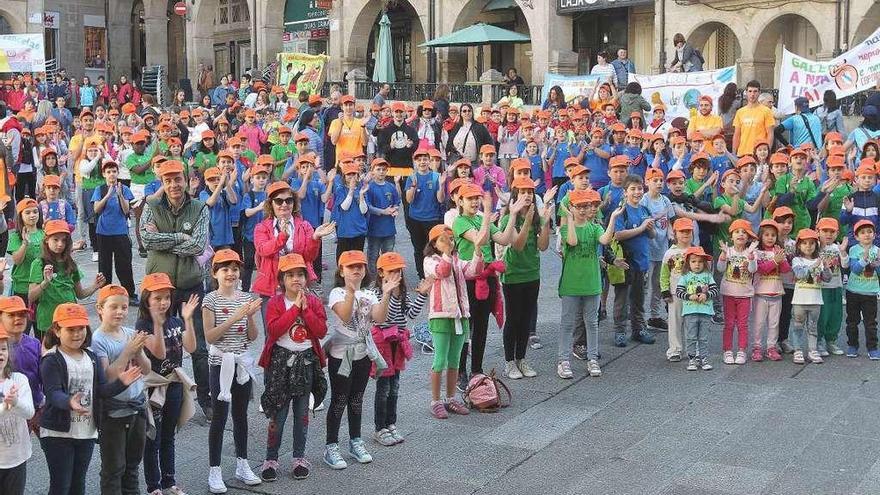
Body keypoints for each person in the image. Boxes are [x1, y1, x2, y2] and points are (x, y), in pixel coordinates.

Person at [40, 303, 141, 495]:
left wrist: (121, 383)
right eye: (71, 329)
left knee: (78, 485)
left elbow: (102, 390)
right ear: (57, 330)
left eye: (81, 328)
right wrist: (69, 401)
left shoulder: (91, 357)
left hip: (86, 431)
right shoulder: (51, 359)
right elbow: (53, 393)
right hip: (57, 434)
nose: (77, 334)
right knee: (61, 487)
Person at [140, 159, 212, 420]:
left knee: (199, 346)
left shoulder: (199, 207)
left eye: (177, 179)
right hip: (158, 288)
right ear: (162, 182)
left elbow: (199, 245)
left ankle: (205, 398)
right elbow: (146, 239)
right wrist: (181, 237)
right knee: (152, 343)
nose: (173, 184)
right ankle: (154, 396)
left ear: (185, 179)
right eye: (168, 180)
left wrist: (165, 240)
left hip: (190, 286)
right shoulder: (151, 206)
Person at [258, 253, 327, 481]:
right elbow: (274, 331)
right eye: (290, 275)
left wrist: (305, 310)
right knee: (278, 413)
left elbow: (321, 331)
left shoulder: (314, 301)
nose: (296, 279)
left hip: (305, 361)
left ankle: (299, 457)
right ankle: (271, 458)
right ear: (282, 280)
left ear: (306, 278)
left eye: (300, 274)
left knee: (301, 414)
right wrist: (294, 309)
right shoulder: (276, 303)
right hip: (280, 362)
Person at [323, 250, 393, 470]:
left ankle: (355, 441)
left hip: (363, 354)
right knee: (339, 400)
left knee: (356, 399)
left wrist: (387, 293)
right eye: (351, 267)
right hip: (341, 356)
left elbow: (380, 318)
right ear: (341, 270)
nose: (356, 270)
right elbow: (344, 315)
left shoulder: (370, 294)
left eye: (360, 266)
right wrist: (351, 292)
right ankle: (331, 445)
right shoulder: (336, 292)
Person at [203, 249, 263, 493]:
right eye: (225, 269)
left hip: (242, 363)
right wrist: (235, 317)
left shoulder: (245, 297)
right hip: (220, 364)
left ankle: (242, 463)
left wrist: (248, 317)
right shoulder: (210, 300)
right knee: (219, 416)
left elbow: (252, 336)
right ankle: (214, 470)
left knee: (241, 415)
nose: (231, 273)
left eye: (235, 269)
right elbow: (210, 337)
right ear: (215, 272)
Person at [137, 273, 199, 495]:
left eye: (166, 297)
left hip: (173, 383)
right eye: (157, 298)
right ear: (146, 300)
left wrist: (188, 319)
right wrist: (156, 321)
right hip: (154, 387)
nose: (163, 303)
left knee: (169, 436)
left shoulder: (174, 321)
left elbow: (191, 347)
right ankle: (153, 486)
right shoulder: (143, 324)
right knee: (153, 438)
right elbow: (160, 352)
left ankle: (169, 482)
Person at [90, 284, 151, 494]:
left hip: (137, 408)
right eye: (113, 307)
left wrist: (139, 351)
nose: (120, 312)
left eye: (124, 307)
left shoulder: (129, 333)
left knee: (133, 465)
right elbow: (107, 377)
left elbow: (146, 369)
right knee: (114, 468)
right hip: (114, 413)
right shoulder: (98, 340)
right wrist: (128, 352)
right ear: (100, 308)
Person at [370, 252, 428, 444]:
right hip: (382, 343)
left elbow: (411, 314)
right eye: (391, 271)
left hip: (398, 343)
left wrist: (422, 294)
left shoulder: (400, 291)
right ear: (380, 273)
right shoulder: (376, 293)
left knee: (394, 387)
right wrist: (391, 293)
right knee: (383, 387)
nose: (396, 274)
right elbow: (385, 317)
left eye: (399, 271)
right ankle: (380, 427)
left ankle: (391, 423)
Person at [28, 220, 106, 338]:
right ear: (46, 240)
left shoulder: (71, 263)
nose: (60, 244)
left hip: (70, 319)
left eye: (64, 240)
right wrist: (45, 283)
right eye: (55, 239)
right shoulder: (38, 263)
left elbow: (80, 294)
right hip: (49, 321)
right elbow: (31, 296)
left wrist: (95, 286)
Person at [612, 175, 657, 346]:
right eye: (633, 189)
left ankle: (638, 329)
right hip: (625, 261)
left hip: (642, 260)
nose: (637, 192)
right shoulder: (621, 211)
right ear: (625, 192)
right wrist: (641, 228)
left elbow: (651, 235)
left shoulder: (645, 210)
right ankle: (620, 331)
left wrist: (650, 228)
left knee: (639, 298)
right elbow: (618, 234)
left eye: (639, 189)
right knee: (622, 299)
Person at [91, 160, 137, 300]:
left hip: (120, 232)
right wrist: (107, 195)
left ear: (118, 173)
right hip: (103, 232)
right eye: (108, 172)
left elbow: (126, 210)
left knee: (124, 264)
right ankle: (105, 293)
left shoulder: (124, 189)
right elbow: (96, 209)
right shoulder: (100, 189)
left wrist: (119, 195)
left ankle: (129, 293)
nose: (112, 174)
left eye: (114, 171)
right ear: (104, 174)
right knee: (104, 266)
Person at [0, 321, 35, 495]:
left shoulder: (19, 380)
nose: (0, 353)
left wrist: (15, 403)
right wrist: (5, 407)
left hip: (17, 457)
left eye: (3, 348)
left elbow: (29, 412)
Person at [790, 229, 831, 364]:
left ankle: (812, 350)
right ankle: (798, 350)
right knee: (798, 326)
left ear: (816, 245)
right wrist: (813, 266)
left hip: (815, 301)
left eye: (812, 243)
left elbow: (827, 278)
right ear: (799, 246)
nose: (808, 246)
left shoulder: (819, 260)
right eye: (805, 243)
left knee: (813, 327)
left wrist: (825, 267)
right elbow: (800, 275)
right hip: (799, 301)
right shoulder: (797, 260)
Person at [676, 247, 718, 370]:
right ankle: (692, 359)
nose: (697, 264)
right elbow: (679, 292)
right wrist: (690, 296)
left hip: (705, 311)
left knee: (703, 337)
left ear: (704, 263)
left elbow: (715, 290)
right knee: (691, 337)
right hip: (690, 312)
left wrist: (707, 294)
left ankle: (703, 358)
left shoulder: (708, 276)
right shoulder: (685, 276)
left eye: (700, 262)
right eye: (693, 261)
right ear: (688, 263)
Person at [844, 220, 880, 359]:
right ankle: (852, 345)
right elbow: (854, 269)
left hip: (870, 292)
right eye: (863, 232)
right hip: (853, 291)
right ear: (857, 236)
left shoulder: (877, 250)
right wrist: (864, 260)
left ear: (874, 234)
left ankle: (872, 348)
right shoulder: (854, 249)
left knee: (870, 322)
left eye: (870, 232)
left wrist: (877, 265)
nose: (867, 235)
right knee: (852, 321)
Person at [732, 80, 775, 156]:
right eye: (750, 91)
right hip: (742, 153)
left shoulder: (766, 111)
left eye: (755, 91)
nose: (752, 94)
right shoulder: (740, 112)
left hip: (759, 153)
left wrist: (767, 151)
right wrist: (734, 153)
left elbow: (770, 134)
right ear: (746, 93)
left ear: (759, 93)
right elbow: (737, 135)